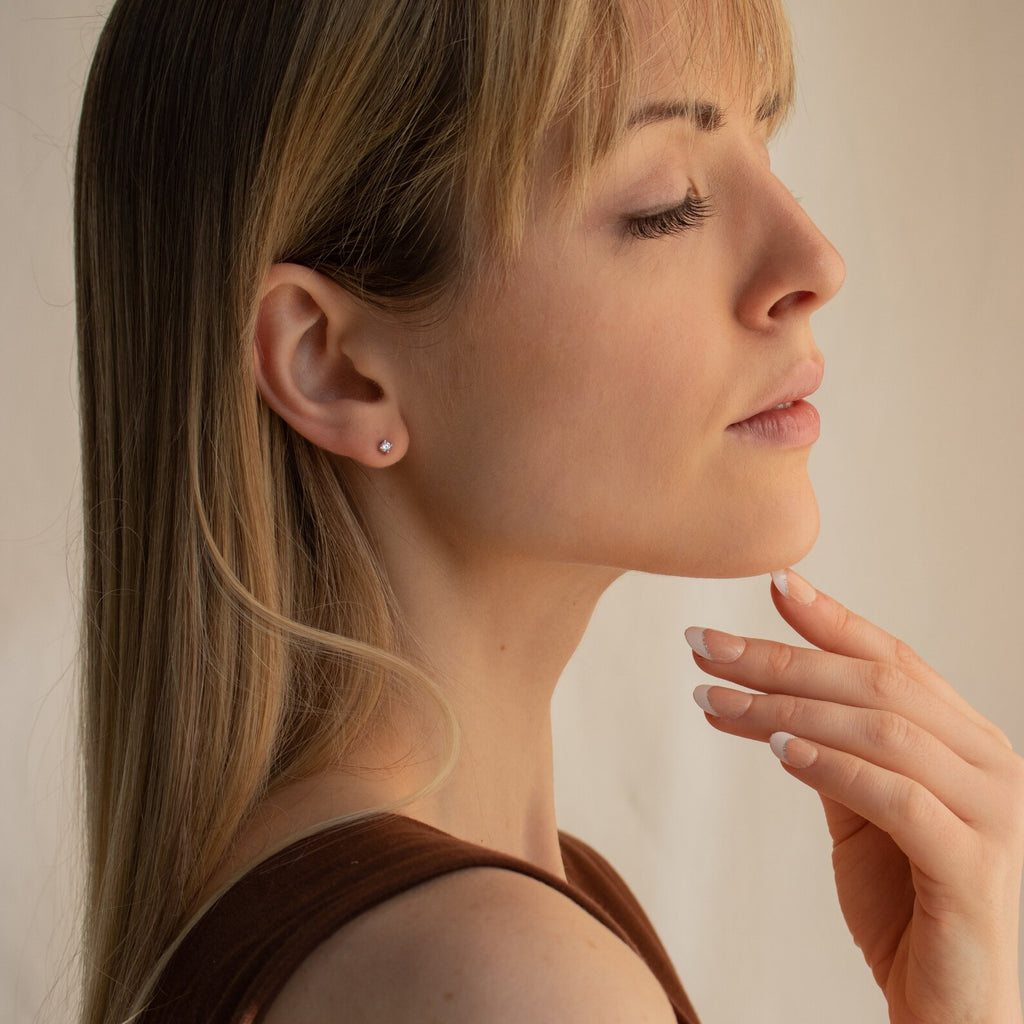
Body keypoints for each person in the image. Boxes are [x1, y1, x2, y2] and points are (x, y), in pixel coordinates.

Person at [73, 0, 1024, 1022]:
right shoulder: (510, 977)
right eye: (668, 201)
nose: (815, 262)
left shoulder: (407, 917)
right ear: (334, 364)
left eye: (766, 139)